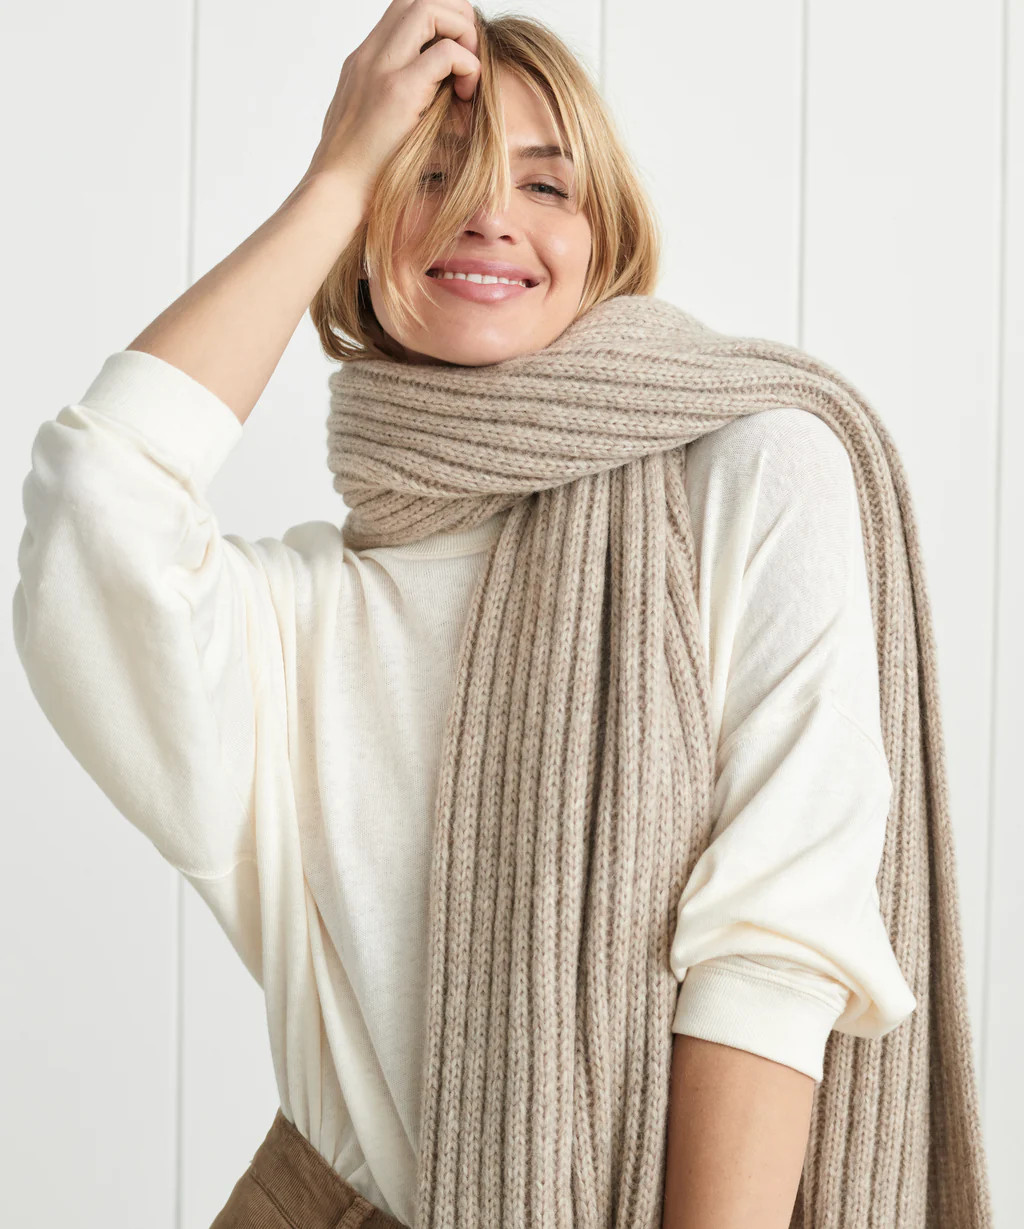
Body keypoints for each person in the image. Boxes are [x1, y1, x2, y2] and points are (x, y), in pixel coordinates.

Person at [12, 3, 920, 1226]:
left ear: (604, 241)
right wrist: (335, 175)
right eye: (430, 176)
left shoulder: (751, 471)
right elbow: (98, 505)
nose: (488, 214)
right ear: (358, 241)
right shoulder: (290, 625)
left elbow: (775, 947)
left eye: (544, 184)